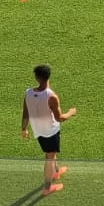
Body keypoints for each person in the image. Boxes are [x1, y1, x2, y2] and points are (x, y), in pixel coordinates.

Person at [21, 63, 76, 196]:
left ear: (37, 77)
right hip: (51, 131)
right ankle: (48, 187)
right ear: (48, 76)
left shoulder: (28, 93)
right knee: (49, 156)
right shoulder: (51, 96)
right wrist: (71, 112)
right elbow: (60, 118)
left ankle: (56, 172)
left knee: (51, 152)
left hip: (38, 131)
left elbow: (25, 112)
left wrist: (24, 129)